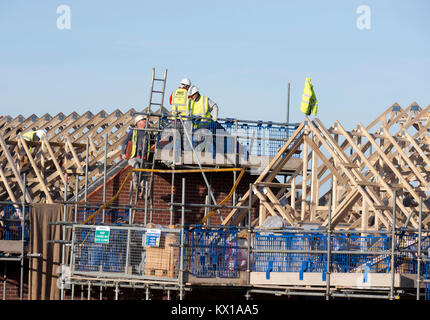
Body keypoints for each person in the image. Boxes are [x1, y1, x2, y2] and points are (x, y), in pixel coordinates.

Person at [121, 115, 154, 196]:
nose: (145, 121)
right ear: (138, 122)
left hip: (144, 158)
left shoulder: (149, 132)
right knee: (136, 167)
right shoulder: (133, 131)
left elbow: (153, 143)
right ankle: (135, 184)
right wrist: (123, 153)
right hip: (134, 157)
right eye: (143, 120)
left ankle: (143, 193)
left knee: (144, 175)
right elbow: (125, 142)